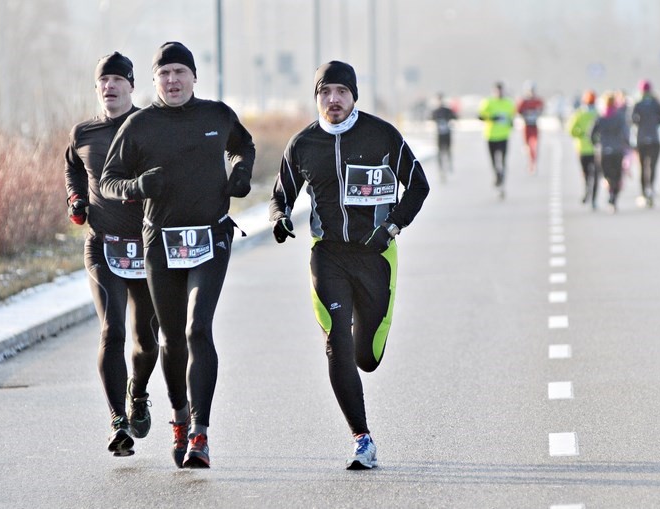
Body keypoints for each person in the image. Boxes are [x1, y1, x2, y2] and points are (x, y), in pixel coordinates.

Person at [100, 41, 256, 468]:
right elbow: (109, 180)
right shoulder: (139, 126)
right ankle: (179, 418)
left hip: (209, 238)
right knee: (169, 338)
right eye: (164, 74)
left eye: (179, 72)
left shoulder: (217, 115)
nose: (172, 80)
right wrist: (136, 189)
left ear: (193, 77)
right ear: (154, 81)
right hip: (160, 242)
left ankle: (201, 434)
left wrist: (239, 173)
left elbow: (243, 146)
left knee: (196, 330)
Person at [269, 60, 429, 470]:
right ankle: (362, 438)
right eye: (325, 92)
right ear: (317, 97)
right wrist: (280, 218)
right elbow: (280, 195)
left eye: (341, 91)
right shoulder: (303, 144)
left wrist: (392, 225)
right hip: (329, 256)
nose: (333, 99)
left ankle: (364, 332)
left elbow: (419, 185)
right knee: (335, 341)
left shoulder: (381, 135)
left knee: (367, 357)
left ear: (353, 96)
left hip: (376, 255)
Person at [64, 52, 159, 458]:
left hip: (149, 247)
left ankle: (137, 393)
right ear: (97, 88)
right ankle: (118, 420)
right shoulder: (83, 132)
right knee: (111, 331)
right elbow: (72, 167)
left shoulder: (150, 126)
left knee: (146, 339)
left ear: (131, 86)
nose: (110, 87)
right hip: (102, 244)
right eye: (103, 81)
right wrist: (76, 198)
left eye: (118, 80)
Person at [591, 92, 631, 213]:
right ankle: (613, 199)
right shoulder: (620, 117)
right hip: (618, 150)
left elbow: (592, 134)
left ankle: (609, 191)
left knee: (607, 175)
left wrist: (596, 144)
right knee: (617, 177)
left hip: (604, 151)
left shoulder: (600, 117)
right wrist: (627, 145)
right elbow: (625, 133)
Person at [631, 79, 660, 207]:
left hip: (641, 139)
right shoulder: (657, 103)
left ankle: (643, 192)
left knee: (642, 167)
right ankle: (650, 189)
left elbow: (633, 120)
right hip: (654, 139)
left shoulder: (638, 104)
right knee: (652, 166)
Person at [478, 82, 516, 198]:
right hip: (490, 136)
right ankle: (497, 176)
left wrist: (510, 124)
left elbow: (512, 117)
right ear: (493, 91)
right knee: (494, 161)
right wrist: (492, 118)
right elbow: (480, 116)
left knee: (503, 161)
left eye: (501, 91)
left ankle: (502, 183)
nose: (499, 93)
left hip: (504, 136)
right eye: (497, 91)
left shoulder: (509, 103)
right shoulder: (488, 102)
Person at [567, 90, 599, 210]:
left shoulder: (579, 114)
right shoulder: (594, 114)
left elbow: (571, 130)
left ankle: (589, 194)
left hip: (584, 149)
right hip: (591, 149)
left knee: (588, 174)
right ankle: (591, 196)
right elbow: (571, 130)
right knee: (593, 175)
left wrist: (581, 134)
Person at [516, 81, 545, 174]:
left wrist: (536, 113)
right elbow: (518, 111)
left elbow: (542, 109)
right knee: (527, 147)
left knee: (534, 146)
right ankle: (530, 163)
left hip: (534, 126)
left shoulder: (538, 101)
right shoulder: (523, 101)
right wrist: (526, 114)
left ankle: (533, 164)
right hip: (526, 127)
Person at [430, 92, 457, 181]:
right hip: (439, 134)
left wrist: (449, 120)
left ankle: (449, 163)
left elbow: (455, 117)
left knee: (448, 150)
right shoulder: (435, 111)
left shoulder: (447, 110)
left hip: (447, 133)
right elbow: (430, 118)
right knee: (439, 152)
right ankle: (441, 169)